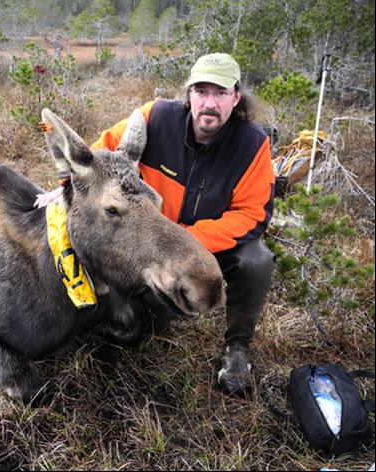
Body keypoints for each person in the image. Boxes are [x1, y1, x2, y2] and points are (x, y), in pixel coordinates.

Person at [91, 53, 276, 394]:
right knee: (141, 329)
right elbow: (99, 155)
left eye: (220, 93)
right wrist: (63, 190)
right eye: (201, 91)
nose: (210, 103)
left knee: (257, 260)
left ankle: (237, 347)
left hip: (208, 245)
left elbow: (252, 213)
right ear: (188, 93)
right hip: (154, 245)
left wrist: (190, 239)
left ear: (236, 98)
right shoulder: (155, 118)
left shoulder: (252, 145)